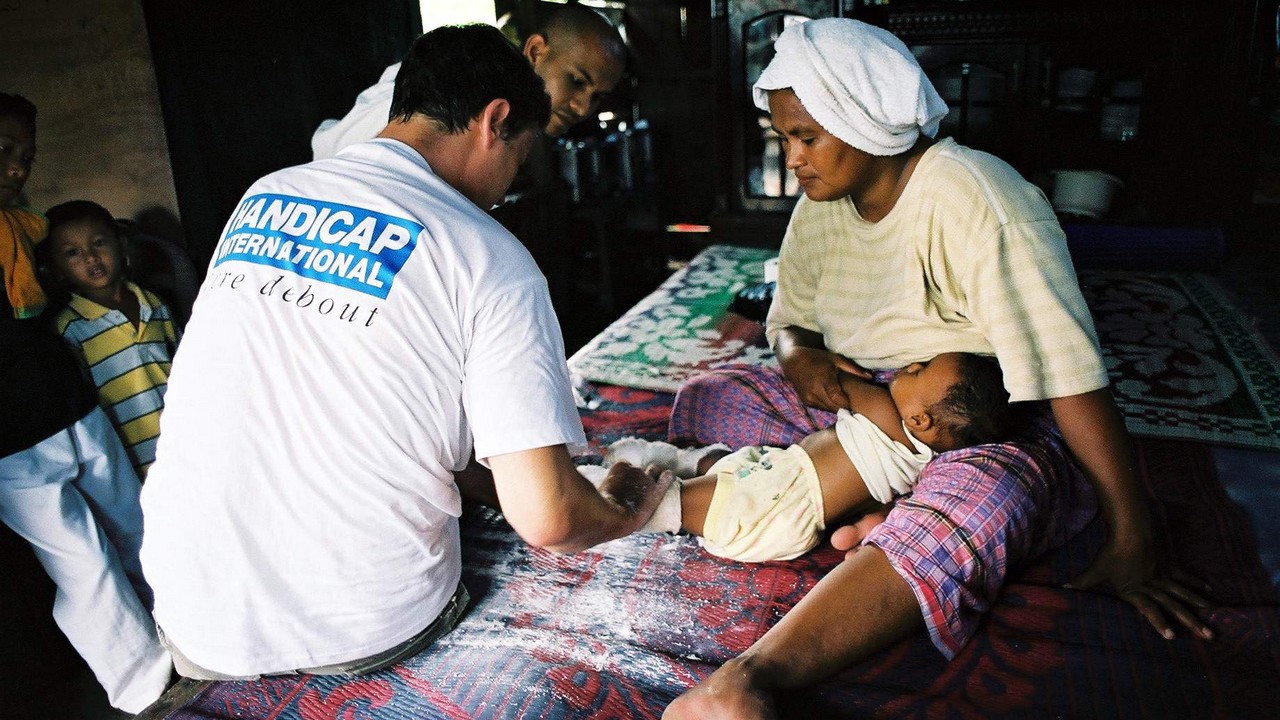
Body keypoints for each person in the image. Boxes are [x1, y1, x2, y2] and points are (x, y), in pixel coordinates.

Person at [662, 19, 1213, 719]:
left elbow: (1072, 377)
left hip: (980, 426)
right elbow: (791, 318)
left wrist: (1132, 531)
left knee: (985, 503)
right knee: (711, 398)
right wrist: (800, 357)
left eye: (807, 137)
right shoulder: (821, 206)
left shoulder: (983, 202)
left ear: (864, 119)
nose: (793, 158)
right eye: (785, 139)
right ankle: (880, 504)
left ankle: (749, 677)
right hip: (866, 400)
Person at [139, 24, 672, 683]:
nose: (509, 186)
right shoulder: (492, 257)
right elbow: (552, 518)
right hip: (365, 629)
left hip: (192, 622)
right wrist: (623, 506)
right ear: (495, 120)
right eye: (520, 156)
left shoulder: (266, 194)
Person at [0, 92, 172, 713]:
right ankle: (144, 684)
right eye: (4, 152)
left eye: (26, 155)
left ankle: (188, 628)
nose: (18, 167)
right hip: (12, 435)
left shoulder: (28, 231)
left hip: (71, 406)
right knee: (82, 561)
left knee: (137, 526)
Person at [599, 352, 1020, 563]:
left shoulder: (884, 411)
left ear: (921, 419)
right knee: (730, 468)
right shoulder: (919, 460)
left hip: (781, 493)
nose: (908, 365)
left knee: (710, 502)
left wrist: (830, 363)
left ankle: (641, 502)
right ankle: (683, 462)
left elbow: (830, 383)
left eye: (919, 370)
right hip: (793, 505)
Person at [311, 4, 627, 160]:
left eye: (598, 97)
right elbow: (334, 152)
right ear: (535, 51)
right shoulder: (445, 78)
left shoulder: (519, 124)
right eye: (576, 81)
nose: (583, 107)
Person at [43, 199, 181, 480]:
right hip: (132, 463)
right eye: (72, 253)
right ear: (56, 267)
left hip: (184, 441)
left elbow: (184, 365)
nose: (90, 258)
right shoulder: (70, 328)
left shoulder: (153, 303)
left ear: (120, 244)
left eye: (99, 243)